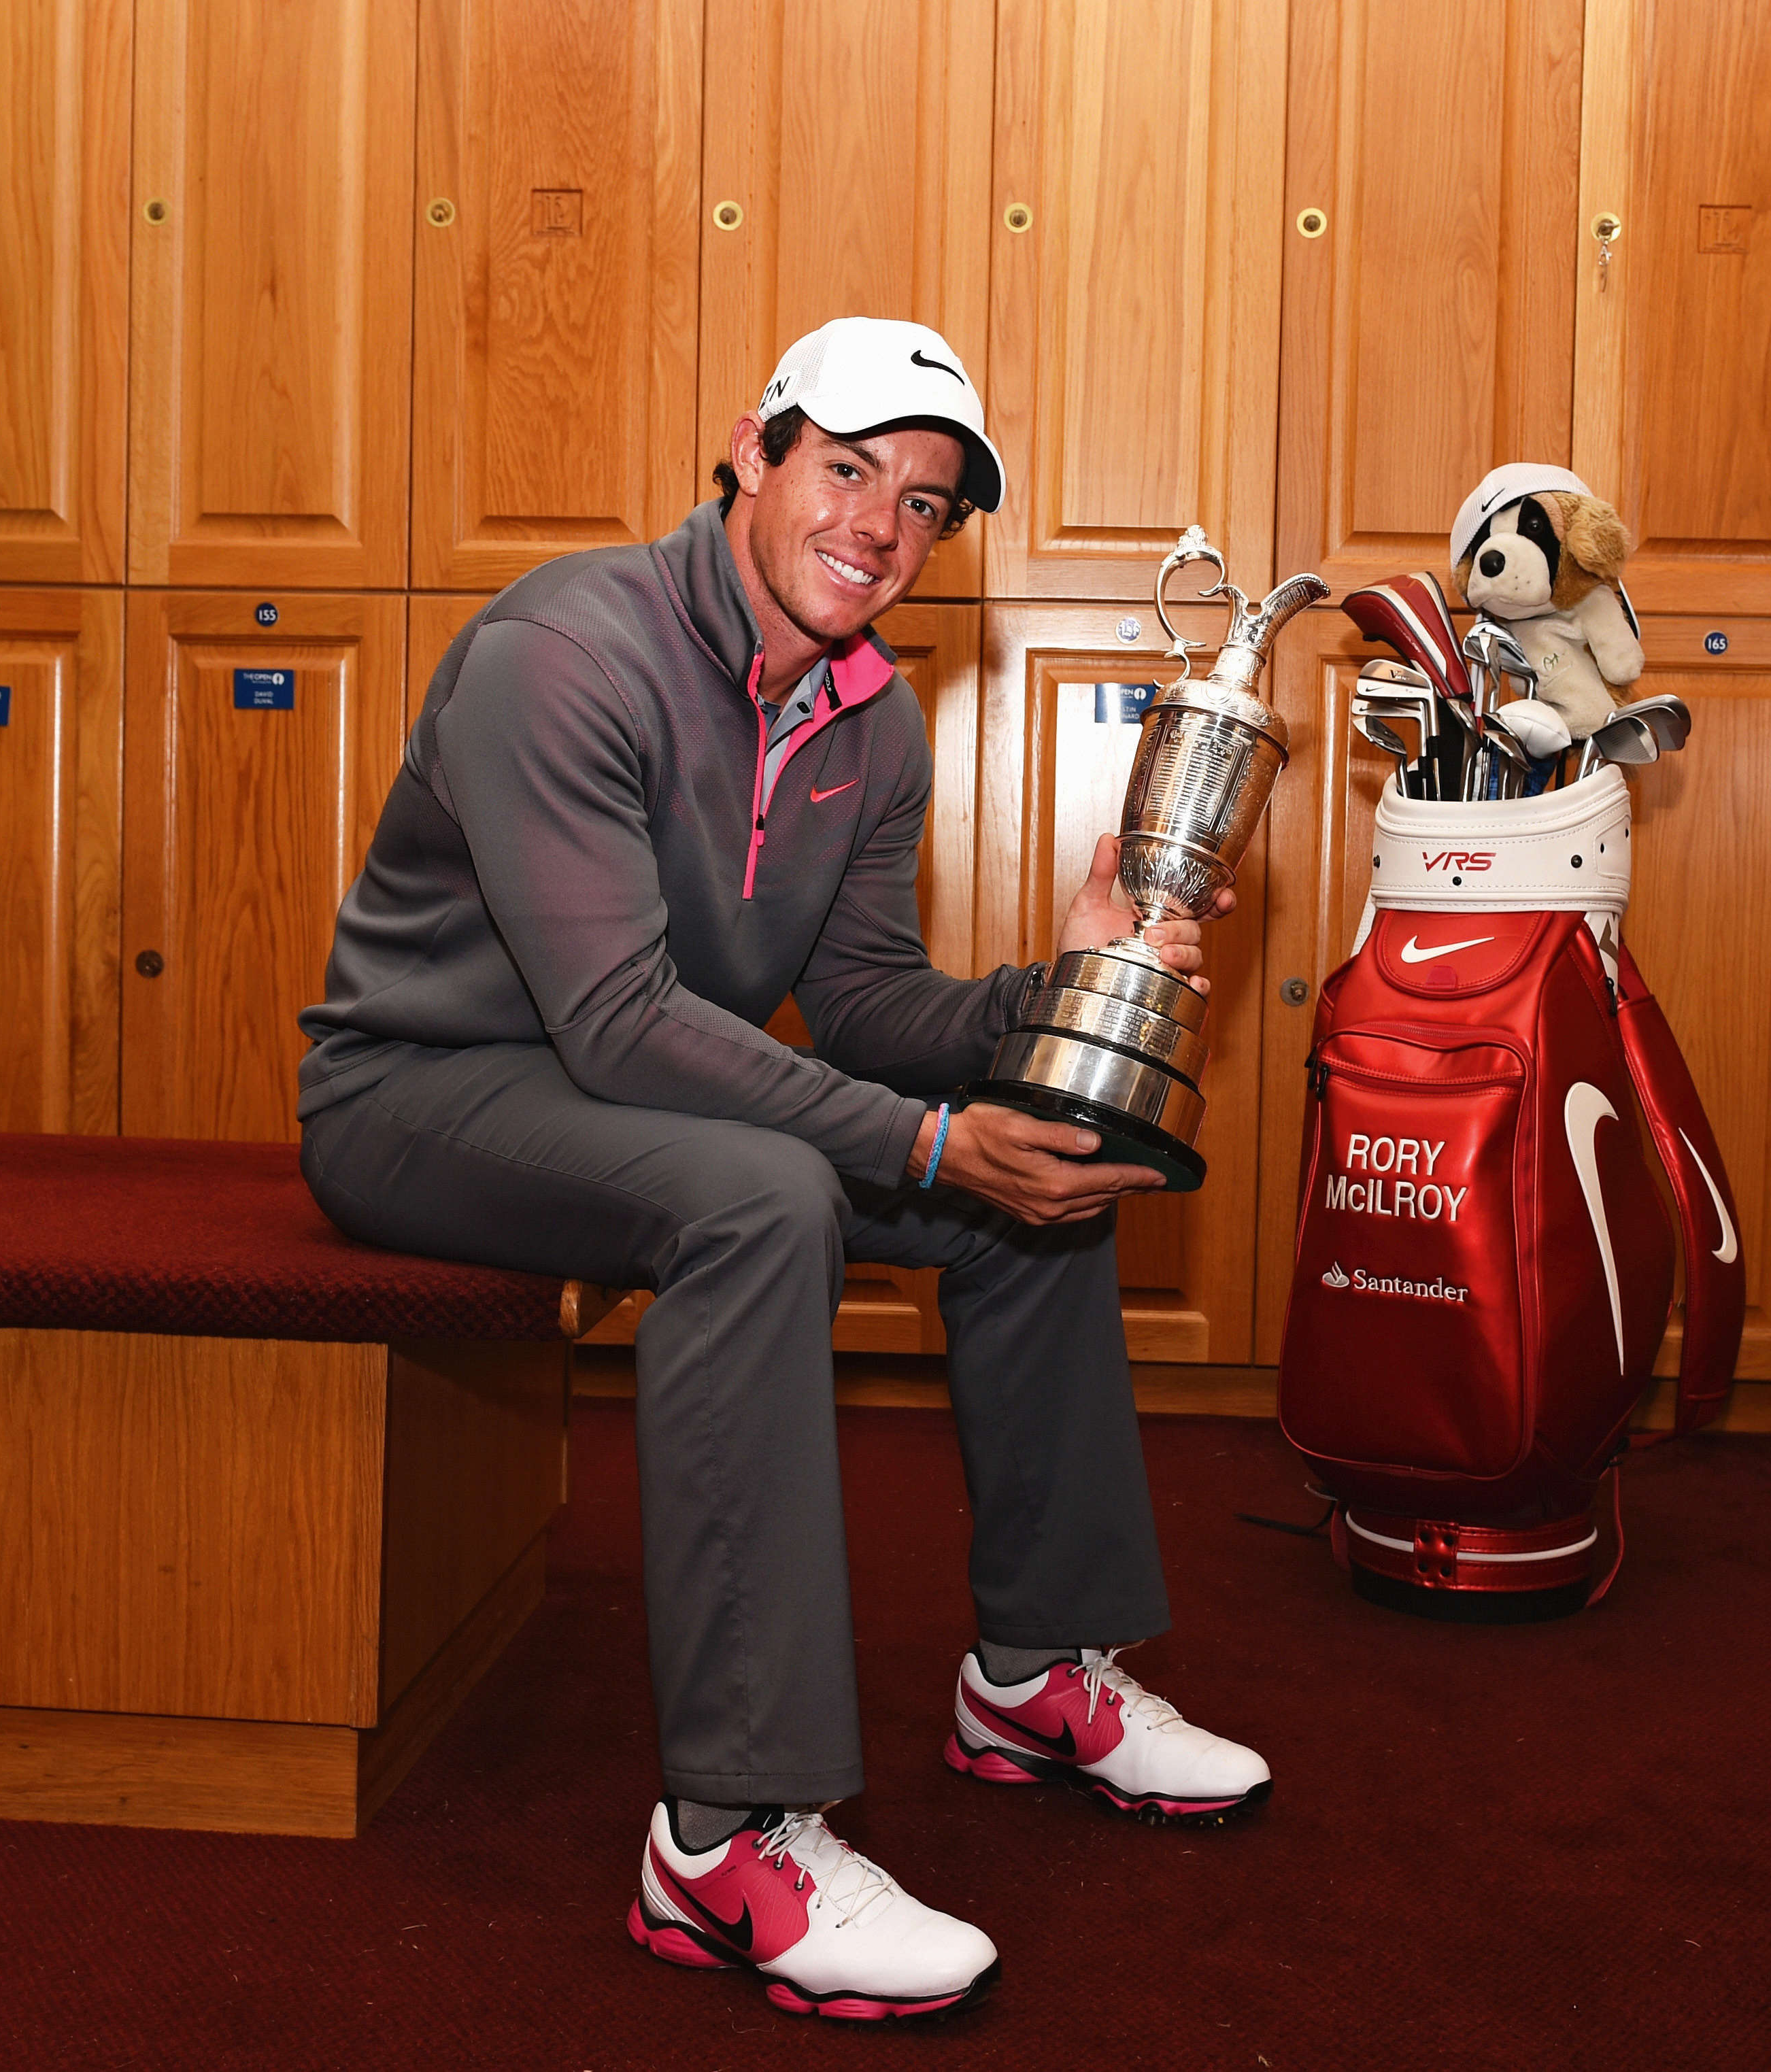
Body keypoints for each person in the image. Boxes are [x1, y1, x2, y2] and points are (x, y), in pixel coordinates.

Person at [297, 317, 1269, 2020]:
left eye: (926, 504)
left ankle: (1039, 1673)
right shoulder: (565, 649)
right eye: (850, 472)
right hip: (424, 1096)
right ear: (755, 451)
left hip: (637, 1089)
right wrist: (921, 1141)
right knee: (769, 1197)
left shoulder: (872, 726)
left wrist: (1075, 982)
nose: (882, 529)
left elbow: (878, 1009)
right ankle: (726, 1835)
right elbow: (613, 1018)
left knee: (1034, 1170)